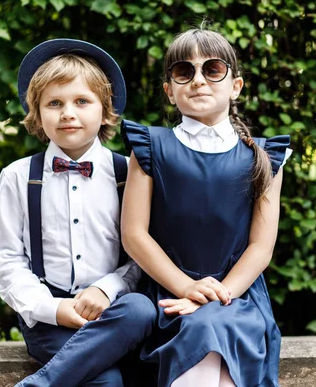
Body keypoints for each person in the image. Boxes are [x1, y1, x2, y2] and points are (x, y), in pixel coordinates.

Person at [121, 28, 291, 387]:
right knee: (201, 330)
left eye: (212, 70)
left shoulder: (263, 156)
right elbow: (134, 234)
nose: (198, 80)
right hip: (167, 292)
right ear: (169, 91)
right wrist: (185, 288)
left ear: (236, 86)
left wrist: (219, 294)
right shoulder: (151, 147)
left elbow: (261, 246)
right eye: (184, 72)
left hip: (237, 296)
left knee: (216, 327)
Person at [0, 38, 156, 387]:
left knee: (141, 310)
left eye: (82, 101)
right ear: (36, 112)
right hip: (46, 314)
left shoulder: (129, 174)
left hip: (113, 311)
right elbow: (5, 258)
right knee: (106, 382)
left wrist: (107, 289)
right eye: (54, 103)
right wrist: (53, 309)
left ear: (105, 109)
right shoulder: (18, 176)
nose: (68, 113)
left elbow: (145, 254)